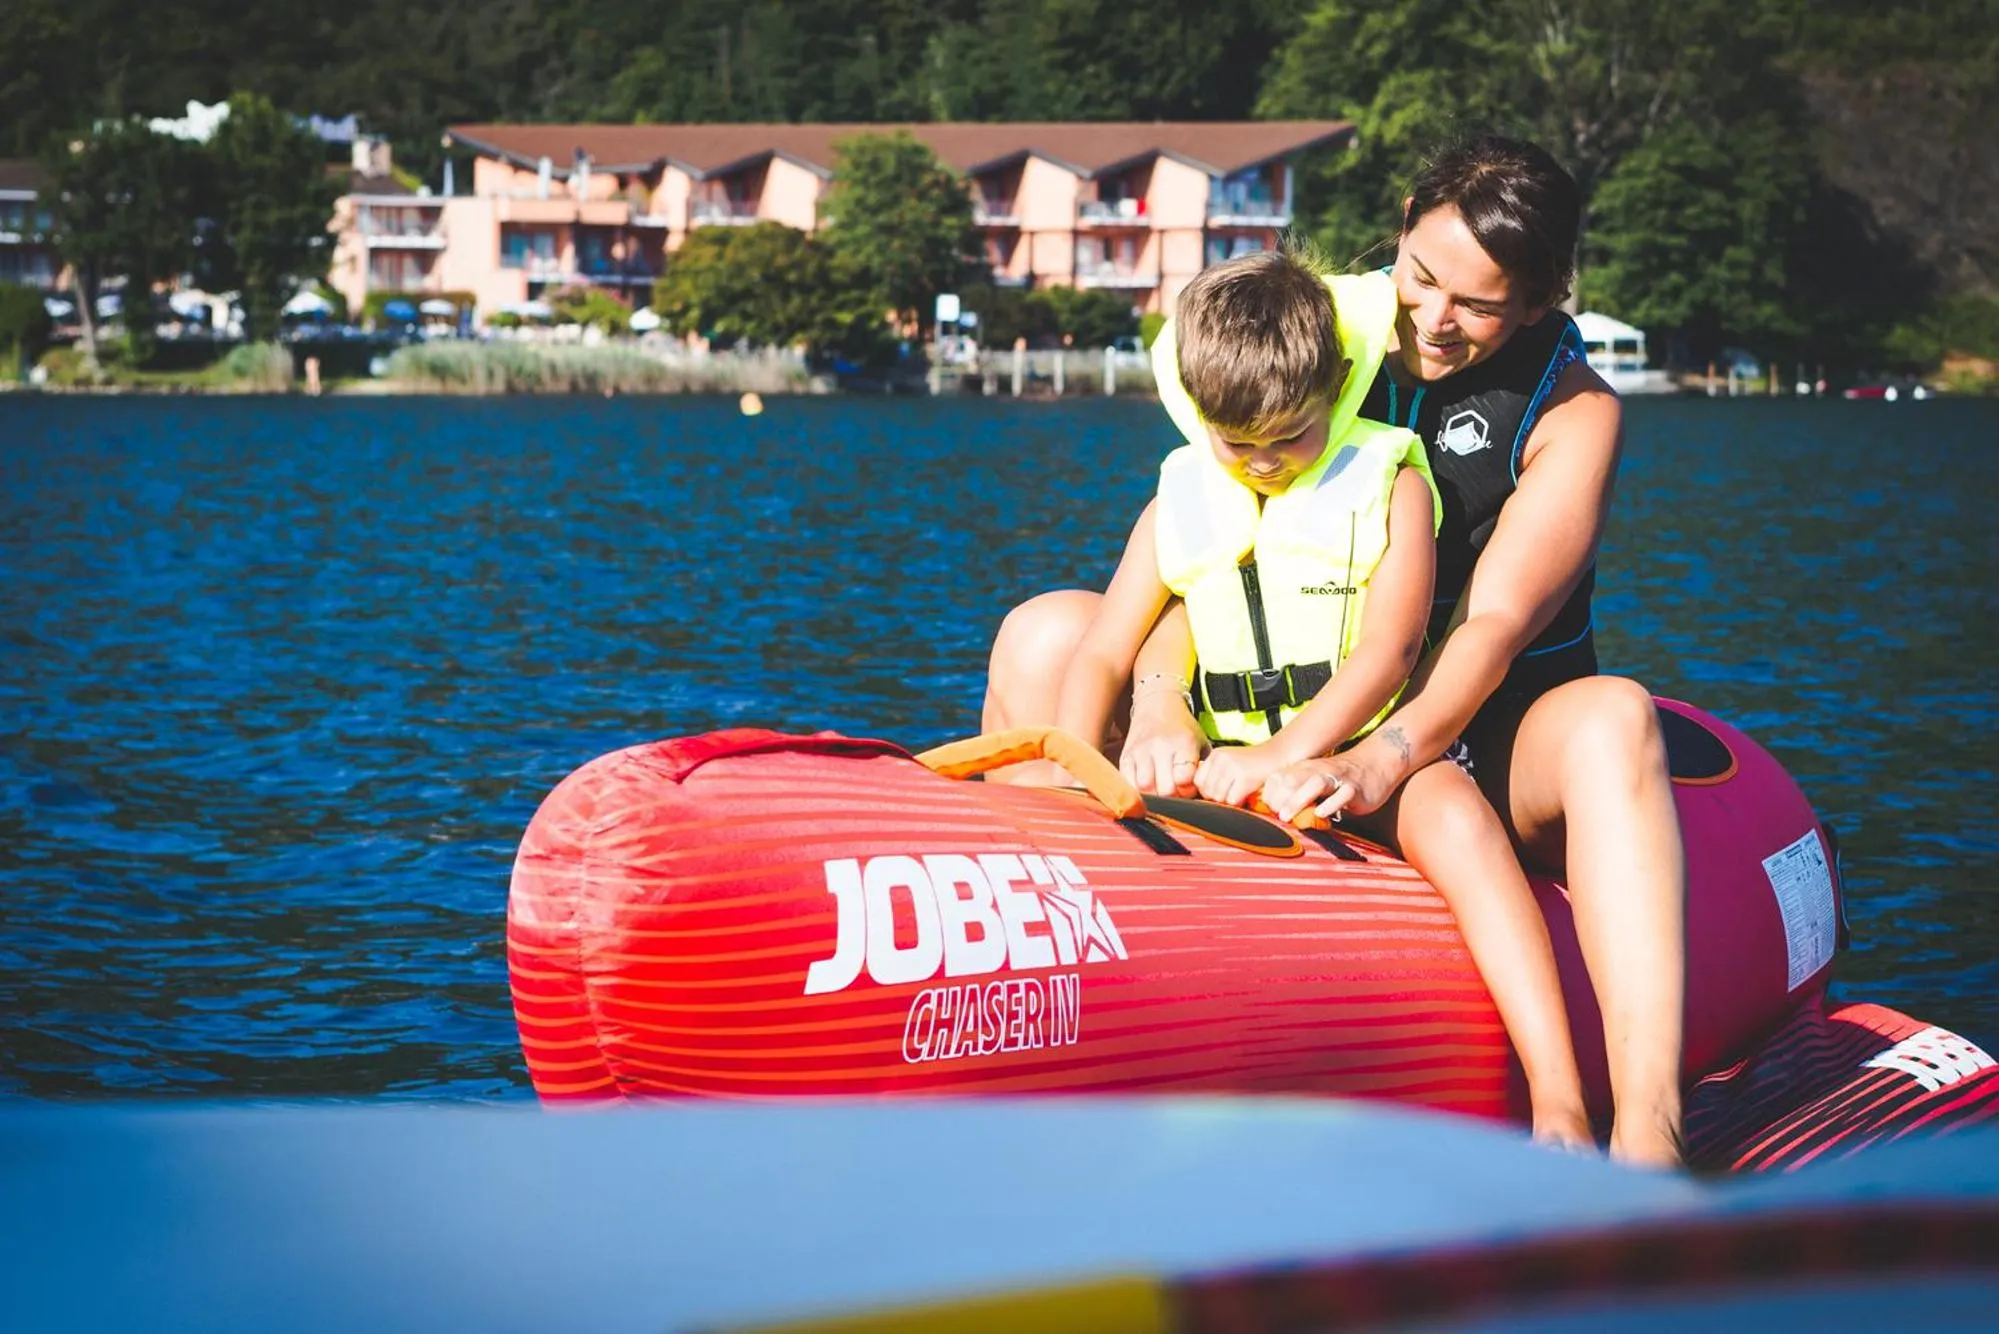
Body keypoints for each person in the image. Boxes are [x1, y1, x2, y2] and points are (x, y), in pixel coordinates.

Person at [983, 134, 1685, 1167]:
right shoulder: (1323, 331)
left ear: (1537, 302)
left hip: (1478, 723)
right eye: (1421, 274)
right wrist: (1164, 698)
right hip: (1283, 709)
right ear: (1399, 225)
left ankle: (1645, 1124)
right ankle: (1015, 971)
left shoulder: (1572, 412)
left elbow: (1489, 625)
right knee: (1046, 628)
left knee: (1617, 720)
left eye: (1479, 305)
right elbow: (1214, 552)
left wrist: (1381, 753)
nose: (1432, 319)